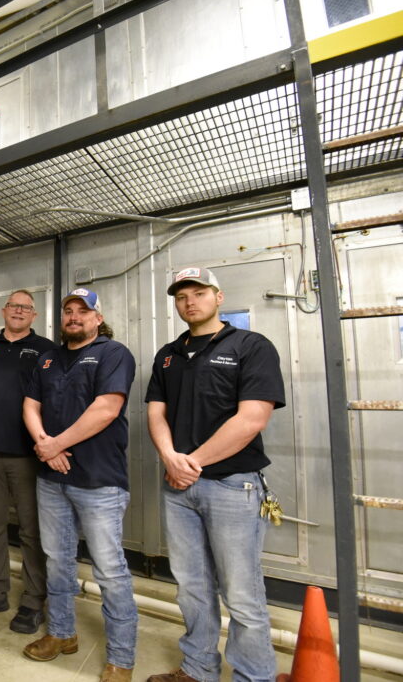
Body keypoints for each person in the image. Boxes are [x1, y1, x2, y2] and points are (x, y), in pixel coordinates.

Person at [145, 267, 285, 682]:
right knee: (191, 587)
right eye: (182, 295)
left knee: (241, 594)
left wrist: (190, 463)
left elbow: (252, 419)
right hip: (179, 487)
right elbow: (156, 411)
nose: (190, 301)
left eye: (199, 292)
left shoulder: (250, 346)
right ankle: (199, 668)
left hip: (232, 486)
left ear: (218, 297)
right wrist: (170, 456)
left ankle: (253, 676)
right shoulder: (168, 353)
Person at [21, 289, 138, 682]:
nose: (73, 317)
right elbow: (30, 405)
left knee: (110, 569)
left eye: (82, 312)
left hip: (99, 480)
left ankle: (121, 658)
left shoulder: (113, 353)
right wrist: (43, 444)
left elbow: (106, 408)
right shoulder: (48, 358)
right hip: (52, 478)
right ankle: (61, 634)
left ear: (96, 317)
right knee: (57, 560)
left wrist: (56, 443)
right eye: (68, 311)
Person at [0, 289, 54, 634]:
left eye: (26, 308)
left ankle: (34, 599)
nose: (19, 311)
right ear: (3, 311)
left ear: (34, 316)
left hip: (29, 456)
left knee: (32, 531)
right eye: (13, 306)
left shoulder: (47, 349)